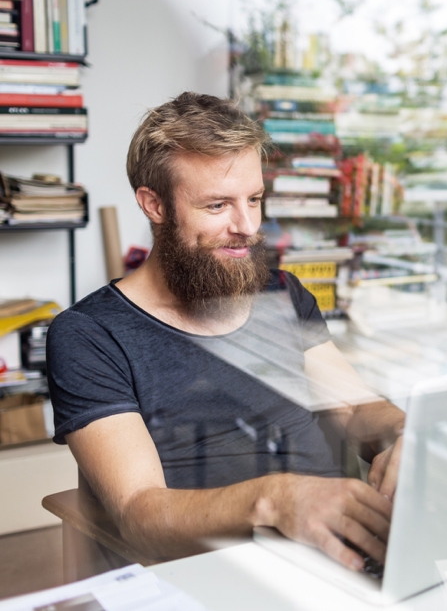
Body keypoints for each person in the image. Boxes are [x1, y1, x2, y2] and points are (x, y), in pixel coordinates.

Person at [46, 92, 404, 572]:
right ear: (154, 205)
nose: (247, 226)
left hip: (337, 560)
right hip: (212, 571)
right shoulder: (89, 335)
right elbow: (139, 512)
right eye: (217, 205)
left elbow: (354, 408)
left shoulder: (282, 292)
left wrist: (404, 431)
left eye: (254, 199)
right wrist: (274, 500)